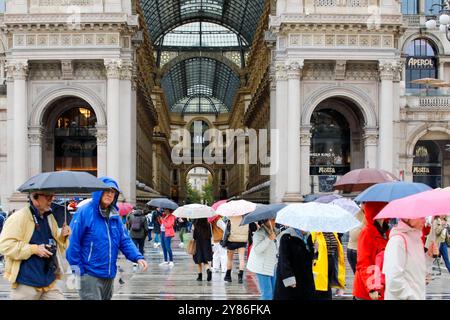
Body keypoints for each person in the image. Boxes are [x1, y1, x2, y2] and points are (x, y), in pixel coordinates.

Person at [66, 177, 148, 300]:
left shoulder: (114, 215)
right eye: (106, 190)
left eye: (113, 192)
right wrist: (79, 271)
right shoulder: (84, 212)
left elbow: (124, 240)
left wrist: (137, 256)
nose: (110, 194)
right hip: (89, 275)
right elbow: (72, 244)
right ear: (98, 191)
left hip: (109, 274)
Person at [0, 192, 71, 300]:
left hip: (48, 281)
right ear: (35, 199)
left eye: (52, 196)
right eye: (48, 196)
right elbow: (5, 245)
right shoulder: (19, 217)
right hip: (26, 283)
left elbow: (58, 243)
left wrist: (63, 236)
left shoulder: (49, 217)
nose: (51, 199)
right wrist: (34, 249)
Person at [353, 202, 390, 300]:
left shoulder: (386, 231)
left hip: (381, 286)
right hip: (368, 291)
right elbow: (363, 263)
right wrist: (371, 287)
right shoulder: (367, 233)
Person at [383, 218, 427, 300]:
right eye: (421, 217)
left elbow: (418, 271)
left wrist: (430, 257)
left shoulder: (417, 239)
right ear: (407, 217)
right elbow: (394, 280)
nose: (424, 220)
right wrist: (412, 297)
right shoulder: (397, 241)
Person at [273, 226, 315, 300]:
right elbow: (284, 259)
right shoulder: (287, 236)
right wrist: (289, 279)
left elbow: (311, 258)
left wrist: (315, 250)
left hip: (305, 279)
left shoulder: (309, 236)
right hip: (291, 279)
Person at [247, 218, 279, 300]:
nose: (275, 221)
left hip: (272, 266)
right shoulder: (259, 233)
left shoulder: (274, 231)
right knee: (267, 294)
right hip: (262, 268)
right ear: (266, 221)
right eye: (272, 220)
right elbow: (257, 249)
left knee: (274, 292)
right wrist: (268, 239)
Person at [311, 231, 346, 300]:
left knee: (327, 290)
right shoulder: (314, 233)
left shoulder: (334, 233)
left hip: (331, 264)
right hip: (319, 266)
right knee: (320, 290)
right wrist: (314, 250)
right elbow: (308, 249)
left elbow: (337, 249)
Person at [224, 215, 248, 283]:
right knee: (241, 259)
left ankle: (228, 276)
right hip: (242, 241)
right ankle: (240, 276)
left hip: (232, 241)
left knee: (229, 259)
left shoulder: (231, 218)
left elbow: (227, 230)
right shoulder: (246, 218)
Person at [347, 209, 365, 274]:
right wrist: (364, 223)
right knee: (359, 277)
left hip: (362, 250)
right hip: (355, 250)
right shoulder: (357, 214)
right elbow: (353, 235)